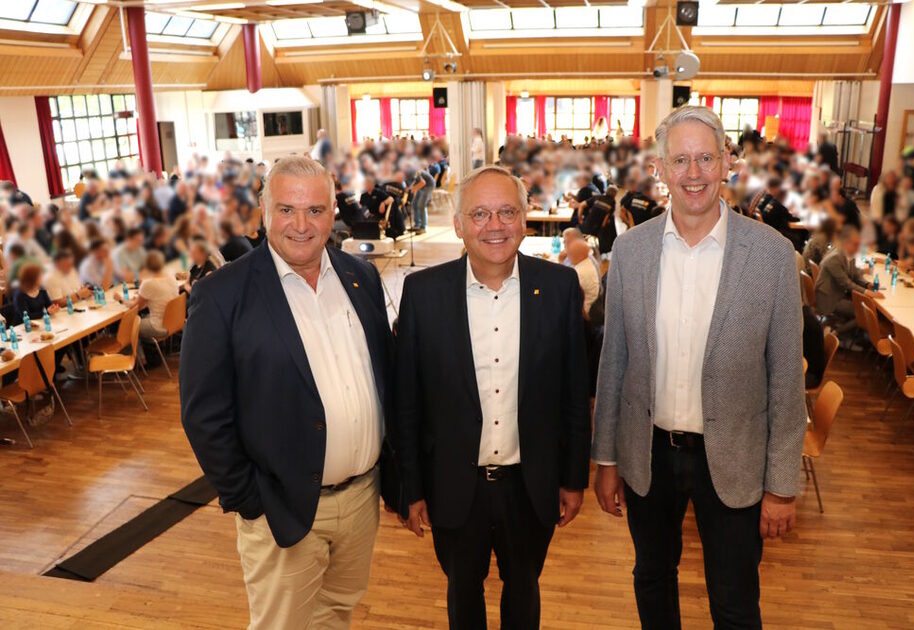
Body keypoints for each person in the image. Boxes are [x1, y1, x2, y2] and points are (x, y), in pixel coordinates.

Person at [593, 106, 807, 630]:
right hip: (649, 457)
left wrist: (782, 485)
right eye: (681, 160)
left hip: (734, 460)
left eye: (706, 158)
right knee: (652, 579)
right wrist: (605, 459)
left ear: (728, 163)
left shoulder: (773, 255)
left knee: (735, 602)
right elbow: (613, 361)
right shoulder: (630, 251)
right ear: (659, 169)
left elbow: (785, 379)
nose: (694, 173)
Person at [180, 156, 397, 630]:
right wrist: (249, 500)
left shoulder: (361, 279)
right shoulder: (222, 295)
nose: (301, 225)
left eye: (316, 210)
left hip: (362, 499)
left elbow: (382, 376)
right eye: (286, 210)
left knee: (337, 615)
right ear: (263, 211)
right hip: (279, 507)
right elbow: (204, 416)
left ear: (333, 210)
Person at [394, 165, 590, 630]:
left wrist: (573, 477)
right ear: (459, 224)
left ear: (525, 219)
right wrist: (411, 487)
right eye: (479, 213)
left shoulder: (560, 289)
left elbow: (574, 395)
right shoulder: (422, 294)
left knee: (524, 591)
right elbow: (407, 401)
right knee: (463, 594)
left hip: (531, 485)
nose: (494, 225)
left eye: (506, 211)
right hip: (453, 486)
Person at [814, 225, 883, 332]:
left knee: (866, 308)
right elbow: (846, 283)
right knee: (864, 313)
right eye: (856, 244)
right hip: (829, 299)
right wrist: (868, 292)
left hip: (839, 294)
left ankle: (847, 333)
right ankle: (835, 334)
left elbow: (855, 275)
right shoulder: (835, 258)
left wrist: (867, 284)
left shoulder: (848, 254)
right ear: (845, 242)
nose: (858, 247)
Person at [114, 251, 179, 341]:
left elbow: (135, 307)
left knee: (128, 326)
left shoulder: (148, 283)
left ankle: (138, 355)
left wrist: (120, 299)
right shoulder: (171, 275)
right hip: (175, 320)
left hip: (159, 326)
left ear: (146, 266)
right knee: (142, 318)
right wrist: (142, 294)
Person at [566, 237, 600, 317]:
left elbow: (568, 297)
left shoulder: (580, 272)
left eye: (571, 253)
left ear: (579, 255)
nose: (568, 256)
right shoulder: (586, 262)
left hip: (584, 313)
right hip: (587, 306)